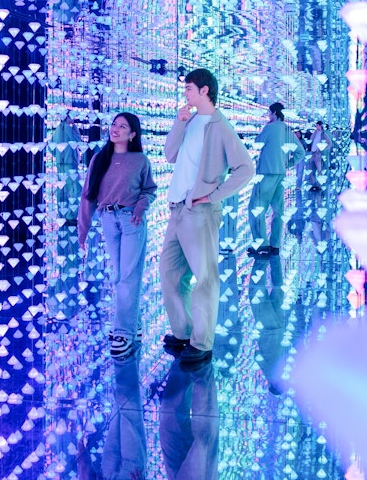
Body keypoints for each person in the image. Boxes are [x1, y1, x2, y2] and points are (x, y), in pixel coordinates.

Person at [161, 69, 256, 366]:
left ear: (204, 91)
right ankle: (183, 332)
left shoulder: (221, 127)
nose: (185, 94)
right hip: (177, 209)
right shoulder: (189, 122)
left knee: (204, 277)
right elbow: (170, 155)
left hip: (199, 212)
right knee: (169, 274)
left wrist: (211, 195)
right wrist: (179, 123)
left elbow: (246, 168)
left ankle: (201, 343)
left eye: (189, 89)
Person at [79, 113, 158, 359]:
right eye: (114, 124)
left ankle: (122, 331)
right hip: (108, 219)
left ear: (132, 134)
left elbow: (149, 190)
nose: (115, 129)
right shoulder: (99, 159)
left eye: (122, 126)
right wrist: (82, 231)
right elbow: (88, 196)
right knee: (119, 275)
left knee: (127, 276)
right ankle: (132, 325)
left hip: (131, 219)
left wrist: (140, 206)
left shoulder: (140, 160)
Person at [248, 102, 305, 257]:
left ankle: (262, 244)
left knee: (255, 208)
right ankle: (275, 244)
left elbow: (257, 143)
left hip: (266, 172)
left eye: (269, 113)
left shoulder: (270, 127)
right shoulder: (287, 130)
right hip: (281, 174)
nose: (268, 116)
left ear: (273, 113)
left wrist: (265, 127)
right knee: (278, 210)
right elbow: (300, 152)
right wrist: (288, 163)